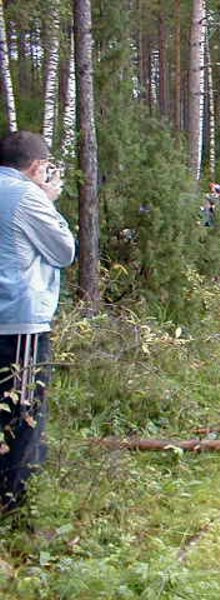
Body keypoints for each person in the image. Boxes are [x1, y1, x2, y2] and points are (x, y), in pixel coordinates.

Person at [0, 132, 75, 516]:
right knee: (23, 416)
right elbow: (63, 250)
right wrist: (48, 200)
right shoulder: (27, 196)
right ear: (36, 166)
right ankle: (15, 509)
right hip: (18, 323)